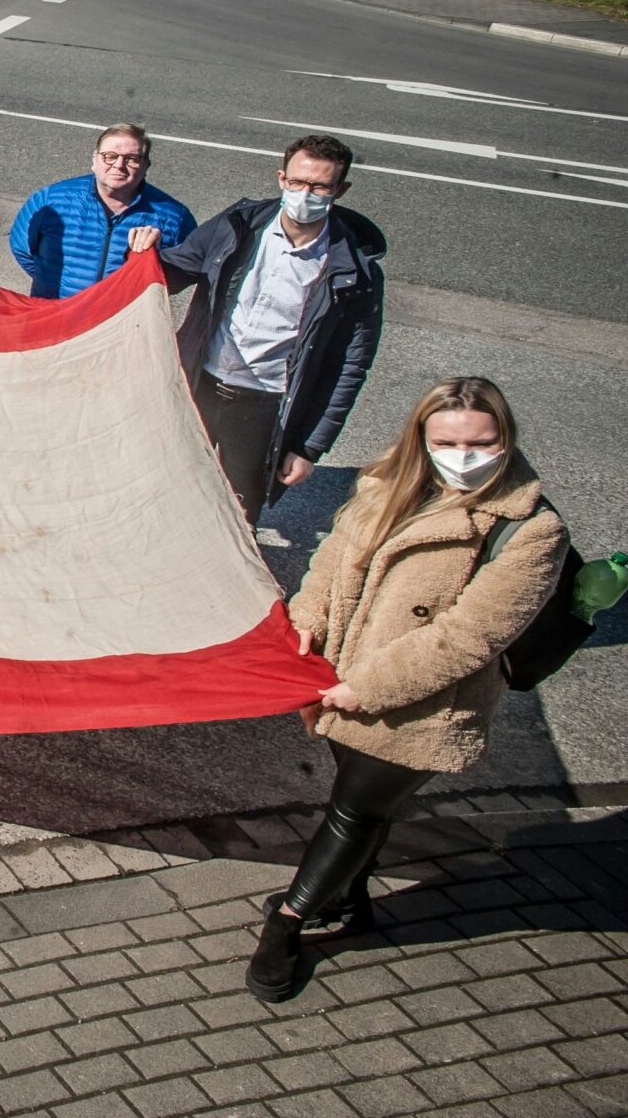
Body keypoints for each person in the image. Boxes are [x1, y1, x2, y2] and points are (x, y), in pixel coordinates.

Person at [245, 378, 571, 1002]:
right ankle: (346, 897)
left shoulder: (531, 530)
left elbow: (468, 638)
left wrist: (362, 688)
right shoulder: (385, 485)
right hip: (341, 680)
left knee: (353, 812)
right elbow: (334, 559)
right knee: (359, 806)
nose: (465, 456)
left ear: (507, 440)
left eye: (482, 442)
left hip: (416, 703)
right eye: (448, 441)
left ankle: (286, 925)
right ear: (422, 437)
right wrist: (309, 619)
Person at [147, 134, 385, 526]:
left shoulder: (354, 271)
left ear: (340, 190)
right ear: (281, 178)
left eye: (319, 186)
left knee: (238, 514)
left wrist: (309, 447)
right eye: (297, 182)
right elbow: (173, 271)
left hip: (264, 406)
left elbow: (350, 366)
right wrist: (142, 253)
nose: (304, 193)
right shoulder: (238, 226)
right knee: (171, 489)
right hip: (199, 384)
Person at [8, 123, 197, 298]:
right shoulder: (51, 199)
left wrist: (155, 259)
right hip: (56, 314)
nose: (119, 165)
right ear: (94, 159)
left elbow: (186, 270)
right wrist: (48, 284)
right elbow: (22, 248)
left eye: (132, 159)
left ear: (146, 165)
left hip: (122, 324)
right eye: (110, 156)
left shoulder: (174, 216)